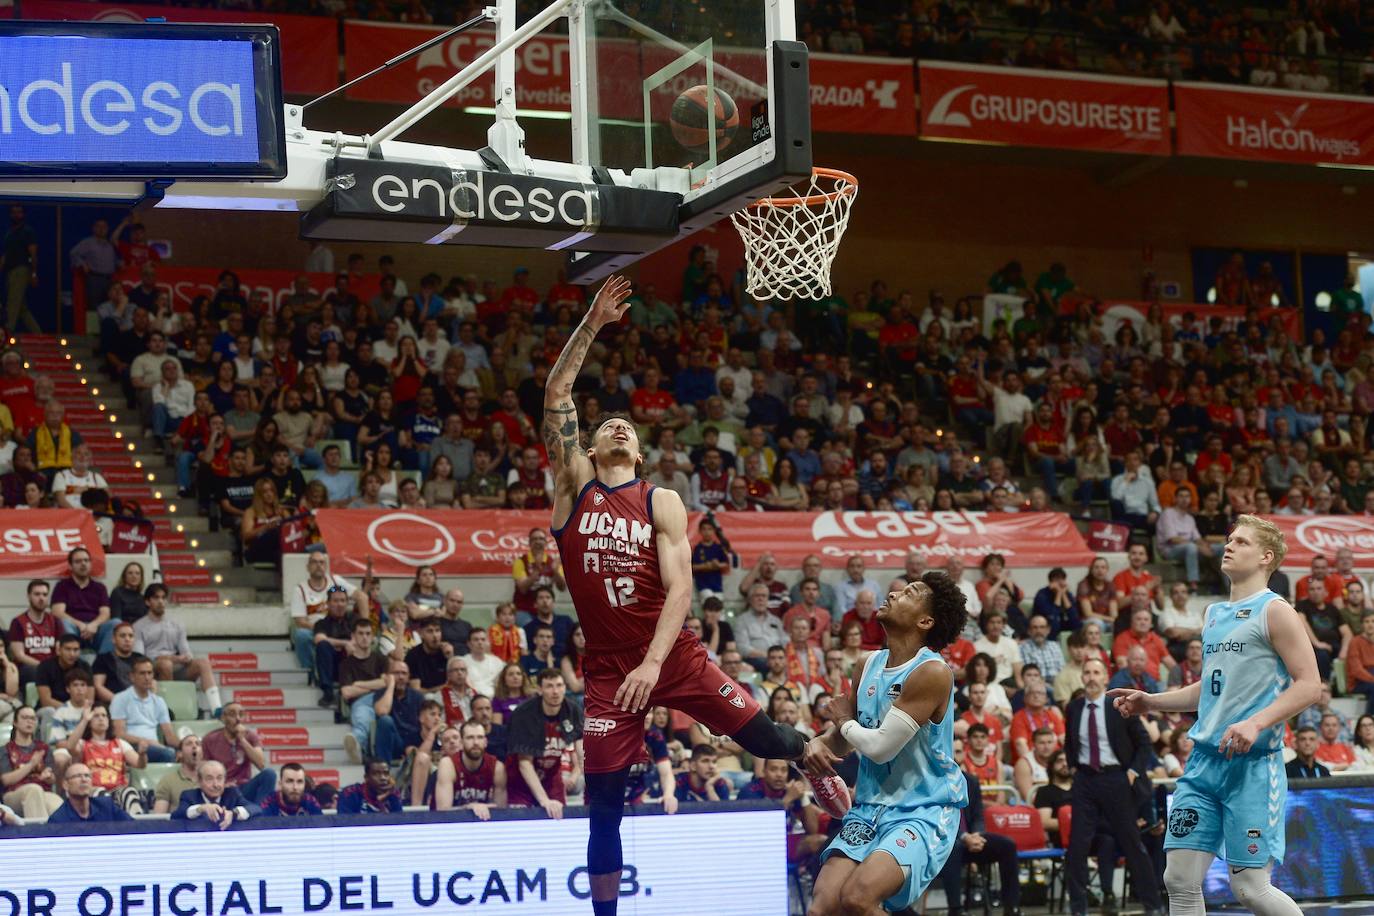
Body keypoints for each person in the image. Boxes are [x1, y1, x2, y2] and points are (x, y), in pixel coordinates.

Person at [541, 277, 839, 916]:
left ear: (641, 452)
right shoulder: (573, 488)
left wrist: (654, 663)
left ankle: (830, 779)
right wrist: (593, 323)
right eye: (607, 426)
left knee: (764, 740)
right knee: (602, 814)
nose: (617, 427)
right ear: (588, 450)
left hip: (670, 654)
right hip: (607, 673)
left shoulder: (662, 501)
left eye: (627, 427)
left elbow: (682, 586)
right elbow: (557, 393)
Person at [1109, 515, 1320, 915]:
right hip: (1203, 763)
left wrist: (1256, 722)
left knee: (1251, 888)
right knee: (1179, 880)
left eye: (1241, 542)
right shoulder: (1213, 615)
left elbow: (1310, 685)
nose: (1229, 546)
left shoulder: (1275, 611)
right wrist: (1150, 701)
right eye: (1229, 540)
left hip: (1252, 768)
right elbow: (1209, 688)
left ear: (1266, 557)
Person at [803, 573, 970, 916]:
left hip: (923, 809)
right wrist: (821, 743)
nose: (893, 593)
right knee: (823, 908)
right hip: (868, 809)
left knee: (858, 898)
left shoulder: (932, 672)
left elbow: (880, 747)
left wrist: (842, 722)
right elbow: (850, 736)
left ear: (925, 621)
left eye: (909, 593)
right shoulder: (866, 664)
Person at [1064, 657, 1164, 916]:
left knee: (1132, 843)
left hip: (1116, 778)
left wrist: (1132, 772)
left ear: (1105, 677)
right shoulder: (1074, 708)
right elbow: (1069, 743)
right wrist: (1075, 768)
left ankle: (1153, 905)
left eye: (1096, 672)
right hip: (1086, 779)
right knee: (1077, 846)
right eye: (1087, 672)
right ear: (1082, 677)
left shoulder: (1118, 706)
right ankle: (1078, 908)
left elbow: (1144, 743)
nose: (1091, 677)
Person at [938, 744, 1020, 916]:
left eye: (958, 751)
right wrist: (964, 836)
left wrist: (976, 835)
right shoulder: (932, 782)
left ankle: (1011, 907)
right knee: (954, 848)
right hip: (941, 842)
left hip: (970, 840)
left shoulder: (971, 781)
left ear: (963, 755)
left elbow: (978, 816)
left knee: (1007, 846)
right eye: (949, 750)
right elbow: (938, 821)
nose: (953, 755)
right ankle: (956, 910)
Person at [133, 583, 222, 716]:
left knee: (203, 663)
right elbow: (140, 658)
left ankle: (217, 709)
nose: (161, 602)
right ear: (147, 601)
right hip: (153, 669)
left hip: (177, 667)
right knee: (165, 664)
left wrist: (186, 657)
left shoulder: (177, 624)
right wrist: (171, 658)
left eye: (163, 598)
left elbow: (186, 651)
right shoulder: (138, 626)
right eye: (156, 598)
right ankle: (169, 711)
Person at [505, 668, 582, 816]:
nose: (555, 691)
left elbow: (582, 753)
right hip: (520, 781)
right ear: (540, 689)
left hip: (552, 778)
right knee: (522, 823)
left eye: (559, 685)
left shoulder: (572, 710)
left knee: (560, 821)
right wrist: (544, 800)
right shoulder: (523, 714)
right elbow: (524, 764)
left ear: (565, 688)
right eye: (549, 686)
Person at [201, 703, 277, 805]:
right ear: (223, 718)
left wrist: (242, 740)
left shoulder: (250, 736)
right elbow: (202, 771)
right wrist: (221, 784)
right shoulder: (210, 739)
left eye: (241, 714)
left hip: (244, 789)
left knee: (270, 774)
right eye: (232, 714)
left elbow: (261, 765)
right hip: (221, 791)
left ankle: (259, 814)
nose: (238, 719)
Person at [110, 656, 178, 762]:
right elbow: (119, 734)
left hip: (155, 748)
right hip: (131, 748)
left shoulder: (159, 701)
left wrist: (186, 745)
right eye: (142, 673)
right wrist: (148, 742)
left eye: (149, 673)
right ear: (132, 677)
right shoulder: (120, 699)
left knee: (189, 753)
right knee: (168, 754)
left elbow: (169, 737)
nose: (147, 677)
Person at [435, 720, 508, 818]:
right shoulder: (448, 764)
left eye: (480, 737)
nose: (476, 742)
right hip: (447, 826)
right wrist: (469, 808)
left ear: (486, 742)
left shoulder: (497, 767)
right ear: (461, 742)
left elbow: (501, 811)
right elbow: (442, 811)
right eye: (470, 738)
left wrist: (483, 808)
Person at [0, 706, 62, 820]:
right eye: (25, 717)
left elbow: (52, 778)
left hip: (43, 791)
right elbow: (6, 780)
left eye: (33, 718)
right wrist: (31, 764)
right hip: (13, 794)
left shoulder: (44, 748)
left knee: (58, 805)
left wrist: (48, 777)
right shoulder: (5, 750)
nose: (29, 721)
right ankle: (37, 835)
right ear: (15, 722)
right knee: (33, 790)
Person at [7, 579, 61, 686]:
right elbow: (19, 655)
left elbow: (60, 650)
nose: (41, 598)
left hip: (52, 667)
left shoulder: (55, 621)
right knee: (35, 672)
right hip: (28, 668)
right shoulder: (18, 622)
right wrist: (43, 666)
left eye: (45, 595)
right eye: (37, 594)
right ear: (28, 596)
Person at [172, 760, 253, 828]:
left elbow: (255, 808)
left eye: (219, 778)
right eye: (209, 779)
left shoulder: (232, 794)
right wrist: (201, 808)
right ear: (199, 781)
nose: (215, 784)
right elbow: (176, 815)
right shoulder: (189, 796)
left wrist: (234, 813)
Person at [47, 763, 133, 824]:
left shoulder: (107, 806)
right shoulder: (58, 820)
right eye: (77, 776)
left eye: (87, 776)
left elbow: (134, 827)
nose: (84, 780)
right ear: (65, 785)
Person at [152, 734, 203, 814]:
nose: (194, 746)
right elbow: (158, 817)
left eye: (198, 744)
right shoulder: (168, 781)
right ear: (179, 754)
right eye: (189, 744)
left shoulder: (210, 780)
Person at [338, 758, 404, 814]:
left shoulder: (393, 794)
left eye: (386, 773)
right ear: (366, 777)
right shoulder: (350, 793)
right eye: (376, 774)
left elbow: (399, 824)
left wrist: (381, 805)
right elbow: (344, 824)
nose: (383, 778)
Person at [259, 762, 324, 816]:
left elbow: (322, 827)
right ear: (280, 784)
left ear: (304, 784)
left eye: (299, 782)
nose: (295, 787)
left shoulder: (310, 801)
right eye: (289, 781)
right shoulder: (269, 803)